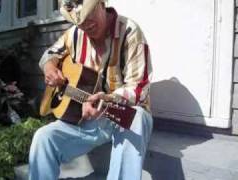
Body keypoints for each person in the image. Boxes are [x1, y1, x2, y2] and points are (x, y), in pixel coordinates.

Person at [29, 0, 153, 179]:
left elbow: (139, 89)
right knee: (43, 137)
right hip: (87, 119)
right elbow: (49, 54)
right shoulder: (74, 35)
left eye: (89, 15)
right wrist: (49, 68)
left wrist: (108, 99)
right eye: (79, 21)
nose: (85, 24)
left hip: (122, 113)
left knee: (135, 116)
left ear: (102, 4)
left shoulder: (129, 32)